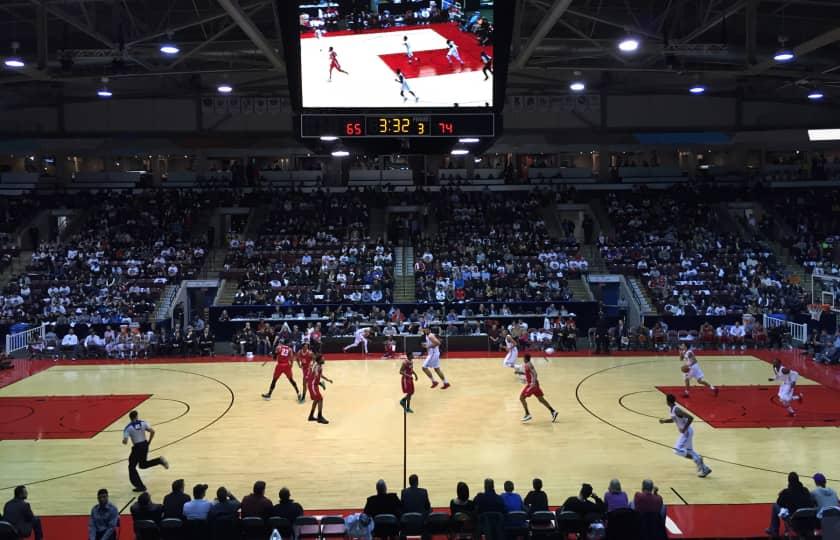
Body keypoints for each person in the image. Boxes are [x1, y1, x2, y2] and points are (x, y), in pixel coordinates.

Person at [659, 394, 711, 477]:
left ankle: (697, 459)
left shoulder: (677, 410)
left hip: (686, 432)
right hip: (686, 432)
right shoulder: (672, 409)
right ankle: (705, 468)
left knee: (677, 450)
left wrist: (684, 428)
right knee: (689, 451)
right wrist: (664, 421)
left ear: (668, 401)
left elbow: (691, 417)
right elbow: (674, 419)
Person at [122, 410, 169, 492]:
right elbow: (152, 431)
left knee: (131, 467)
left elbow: (125, 441)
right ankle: (159, 460)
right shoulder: (143, 423)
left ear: (130, 418)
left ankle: (140, 486)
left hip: (137, 447)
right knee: (142, 464)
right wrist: (149, 442)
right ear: (136, 416)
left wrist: (124, 441)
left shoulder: (128, 428)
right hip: (144, 445)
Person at [766, 472, 814, 537]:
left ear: (789, 481)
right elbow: (810, 503)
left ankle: (774, 531)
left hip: (794, 522)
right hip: (808, 521)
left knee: (775, 506)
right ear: (798, 480)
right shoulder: (805, 490)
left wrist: (781, 495)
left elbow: (779, 503)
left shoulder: (786, 492)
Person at [519, 353, 559, 423]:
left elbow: (535, 373)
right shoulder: (528, 364)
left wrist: (533, 383)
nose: (523, 359)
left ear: (525, 359)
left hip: (532, 385)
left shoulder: (528, 365)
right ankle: (553, 411)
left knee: (522, 398)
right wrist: (520, 373)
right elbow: (529, 374)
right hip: (534, 385)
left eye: (523, 358)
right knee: (541, 399)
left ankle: (527, 414)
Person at [307, 353, 332, 424]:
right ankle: (320, 417)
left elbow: (320, 375)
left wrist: (327, 380)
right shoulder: (317, 367)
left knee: (316, 400)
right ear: (319, 360)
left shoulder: (319, 366)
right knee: (320, 399)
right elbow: (315, 377)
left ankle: (311, 416)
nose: (324, 359)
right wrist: (321, 384)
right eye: (322, 358)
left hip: (314, 385)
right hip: (312, 385)